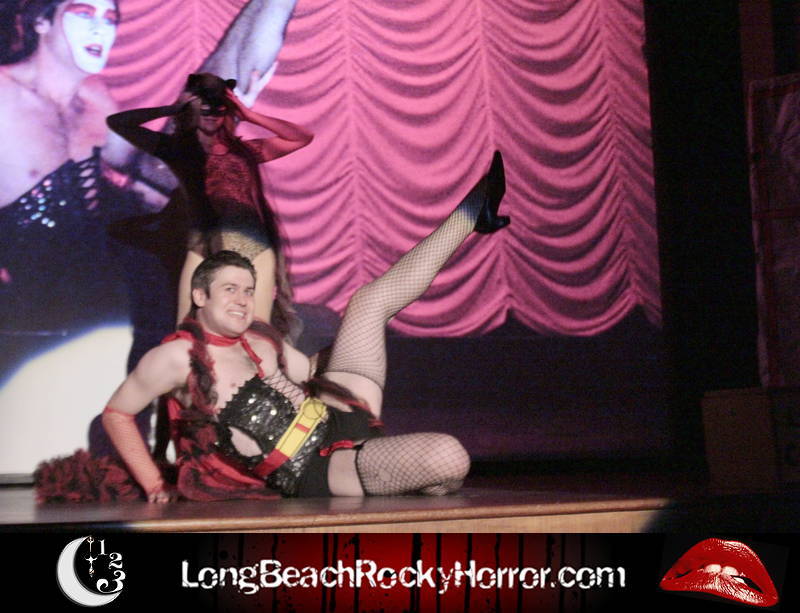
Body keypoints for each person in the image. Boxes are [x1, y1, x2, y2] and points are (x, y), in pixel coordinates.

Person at [91, 151, 509, 502]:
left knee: (367, 303)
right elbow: (117, 414)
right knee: (448, 456)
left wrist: (354, 341)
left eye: (248, 291)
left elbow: (308, 372)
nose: (243, 300)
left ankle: (474, 213)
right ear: (200, 296)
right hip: (313, 466)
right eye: (230, 290)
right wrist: (153, 484)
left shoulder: (257, 338)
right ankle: (405, 475)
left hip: (335, 412)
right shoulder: (175, 357)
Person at [106, 73, 313, 332]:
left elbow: (301, 137)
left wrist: (249, 115)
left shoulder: (245, 152)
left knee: (256, 330)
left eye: (219, 108)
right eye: (205, 108)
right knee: (189, 331)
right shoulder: (177, 149)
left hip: (251, 245)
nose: (212, 114)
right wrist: (173, 108)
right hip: (205, 245)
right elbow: (119, 123)